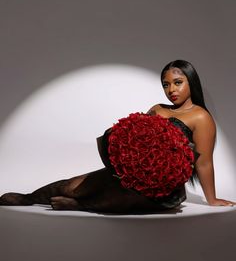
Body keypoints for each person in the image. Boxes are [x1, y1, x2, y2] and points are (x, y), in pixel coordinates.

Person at [0, 60, 235, 213]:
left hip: (164, 187)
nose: (171, 90)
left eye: (177, 82)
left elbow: (203, 162)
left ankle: (81, 206)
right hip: (132, 175)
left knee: (124, 198)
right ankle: (29, 198)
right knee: (76, 184)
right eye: (166, 84)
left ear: (191, 82)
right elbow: (135, 139)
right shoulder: (157, 109)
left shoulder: (200, 117)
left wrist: (211, 199)